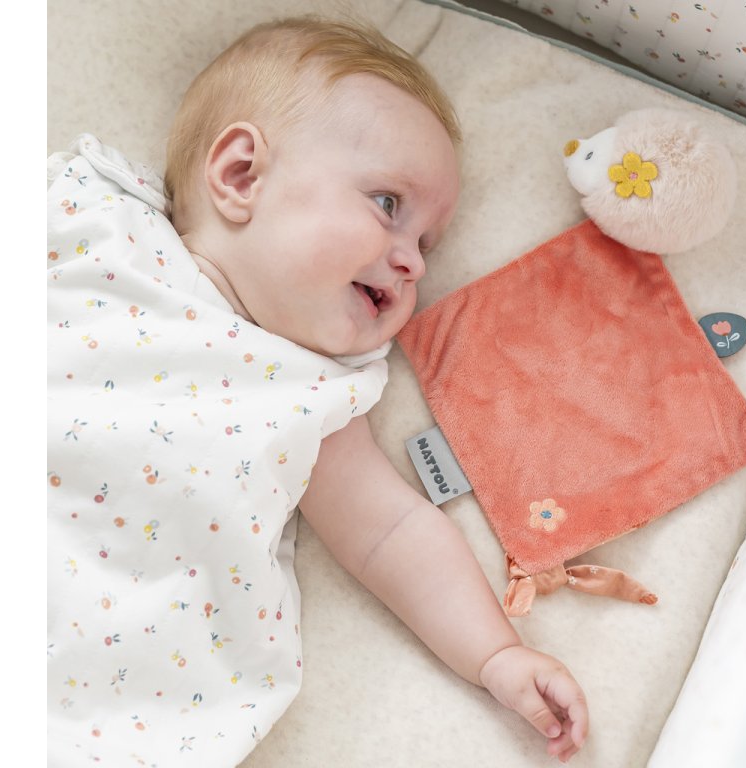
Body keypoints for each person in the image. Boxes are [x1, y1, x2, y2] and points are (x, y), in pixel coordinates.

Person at [47, 16, 587, 766]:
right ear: (242, 175)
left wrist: (495, 655)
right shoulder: (95, 225)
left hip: (98, 679)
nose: (414, 264)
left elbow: (391, 535)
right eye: (389, 205)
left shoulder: (312, 391)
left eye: (427, 245)